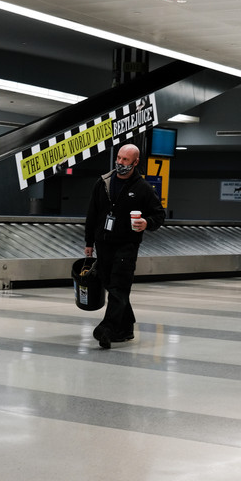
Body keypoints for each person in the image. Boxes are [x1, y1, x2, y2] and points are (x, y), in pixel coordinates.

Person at [83, 143, 166, 348]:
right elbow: (92, 214)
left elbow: (159, 214)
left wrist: (146, 222)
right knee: (110, 285)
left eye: (125, 159)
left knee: (119, 286)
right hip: (103, 243)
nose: (120, 162)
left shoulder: (143, 188)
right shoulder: (103, 183)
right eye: (118, 158)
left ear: (135, 162)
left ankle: (107, 328)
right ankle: (126, 327)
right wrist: (89, 243)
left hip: (126, 245)